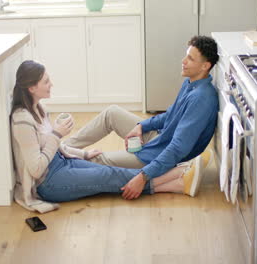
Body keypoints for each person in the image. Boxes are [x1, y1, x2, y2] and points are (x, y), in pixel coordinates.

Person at [10, 60, 207, 213]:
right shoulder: (23, 119)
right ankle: (178, 179)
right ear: (31, 88)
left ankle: (179, 181)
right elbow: (36, 169)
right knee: (108, 174)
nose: (51, 84)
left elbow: (52, 147)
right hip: (49, 181)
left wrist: (80, 153)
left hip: (61, 162)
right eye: (46, 81)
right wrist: (57, 136)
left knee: (108, 172)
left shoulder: (39, 108)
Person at [64, 35, 219, 200]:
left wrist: (144, 176)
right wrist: (142, 126)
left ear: (205, 66)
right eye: (186, 55)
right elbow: (170, 115)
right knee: (111, 113)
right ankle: (60, 149)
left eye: (190, 58)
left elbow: (178, 148)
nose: (183, 61)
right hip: (160, 139)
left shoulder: (201, 98)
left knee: (98, 160)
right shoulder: (191, 83)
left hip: (160, 155)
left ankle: (59, 163)